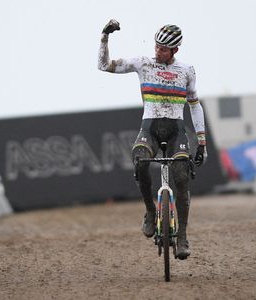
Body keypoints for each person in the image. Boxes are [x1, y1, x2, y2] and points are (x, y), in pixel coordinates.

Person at [98, 20, 207, 260]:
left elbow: (194, 105)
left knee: (181, 179)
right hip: (150, 128)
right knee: (140, 161)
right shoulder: (143, 63)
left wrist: (201, 141)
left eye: (163, 49)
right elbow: (104, 65)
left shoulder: (187, 70)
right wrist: (105, 37)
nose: (158, 51)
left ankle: (182, 237)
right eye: (157, 47)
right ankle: (150, 211)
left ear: (175, 51)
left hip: (176, 130)